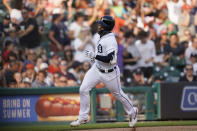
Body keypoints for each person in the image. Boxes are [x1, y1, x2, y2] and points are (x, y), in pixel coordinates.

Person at [70, 16, 138, 127]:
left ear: (106, 27)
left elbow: (111, 60)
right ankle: (83, 117)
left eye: (101, 24)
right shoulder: (99, 36)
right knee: (83, 89)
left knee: (118, 94)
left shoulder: (111, 40)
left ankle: (133, 111)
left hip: (110, 72)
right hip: (96, 69)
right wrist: (94, 57)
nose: (99, 25)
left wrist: (95, 55)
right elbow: (100, 52)